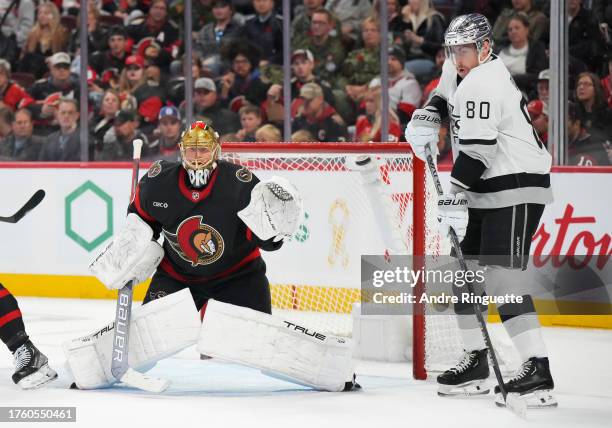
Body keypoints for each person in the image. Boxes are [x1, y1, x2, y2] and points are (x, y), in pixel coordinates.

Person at [67, 121, 354, 392]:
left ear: (216, 151)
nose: (196, 155)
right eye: (191, 149)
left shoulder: (240, 184)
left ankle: (333, 370)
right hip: (177, 277)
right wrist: (127, 256)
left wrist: (276, 231)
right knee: (143, 340)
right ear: (181, 150)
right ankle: (89, 368)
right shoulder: (158, 182)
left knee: (262, 344)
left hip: (238, 277)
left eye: (202, 149)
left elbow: (264, 242)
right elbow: (140, 226)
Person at [405, 13, 556, 408]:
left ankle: (537, 371)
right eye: (453, 49)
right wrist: (428, 114)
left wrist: (454, 194)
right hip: (486, 187)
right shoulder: (464, 68)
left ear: (486, 46)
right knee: (463, 276)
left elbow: (476, 153)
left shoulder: (485, 83)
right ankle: (476, 362)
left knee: (504, 281)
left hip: (516, 186)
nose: (458, 57)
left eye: (465, 49)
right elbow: (443, 91)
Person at [496, 13, 548, 96]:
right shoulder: (499, 48)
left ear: (527, 29)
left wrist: (511, 80)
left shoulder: (537, 48)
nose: (513, 31)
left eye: (517, 28)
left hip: (523, 93)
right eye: (510, 29)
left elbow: (538, 75)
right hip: (497, 90)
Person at [293, 8, 346, 87]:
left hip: (324, 84)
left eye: (321, 23)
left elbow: (327, 73)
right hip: (300, 81)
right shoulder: (302, 43)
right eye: (314, 22)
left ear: (330, 26)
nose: (316, 26)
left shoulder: (335, 48)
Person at [19, 2, 69, 79]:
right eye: (40, 13)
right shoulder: (33, 33)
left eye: (46, 13)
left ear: (53, 15)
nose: (42, 15)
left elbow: (63, 55)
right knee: (29, 57)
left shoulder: (61, 33)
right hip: (34, 68)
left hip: (52, 68)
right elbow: (26, 57)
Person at [399, 0, 446, 79]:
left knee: (400, 71)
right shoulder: (411, 19)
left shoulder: (434, 18)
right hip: (409, 58)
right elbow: (402, 42)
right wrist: (405, 20)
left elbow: (440, 46)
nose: (410, 2)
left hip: (428, 59)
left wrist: (420, 41)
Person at [239, 0, 283, 65]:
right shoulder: (248, 24)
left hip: (274, 67)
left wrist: (269, 62)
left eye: (264, 0)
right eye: (258, 1)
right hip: (251, 65)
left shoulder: (280, 23)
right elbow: (244, 47)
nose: (261, 3)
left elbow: (284, 51)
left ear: (272, 3)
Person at [567, 101, 611, 166]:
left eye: (565, 120)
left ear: (576, 123)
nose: (559, 125)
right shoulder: (557, 143)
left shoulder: (596, 143)